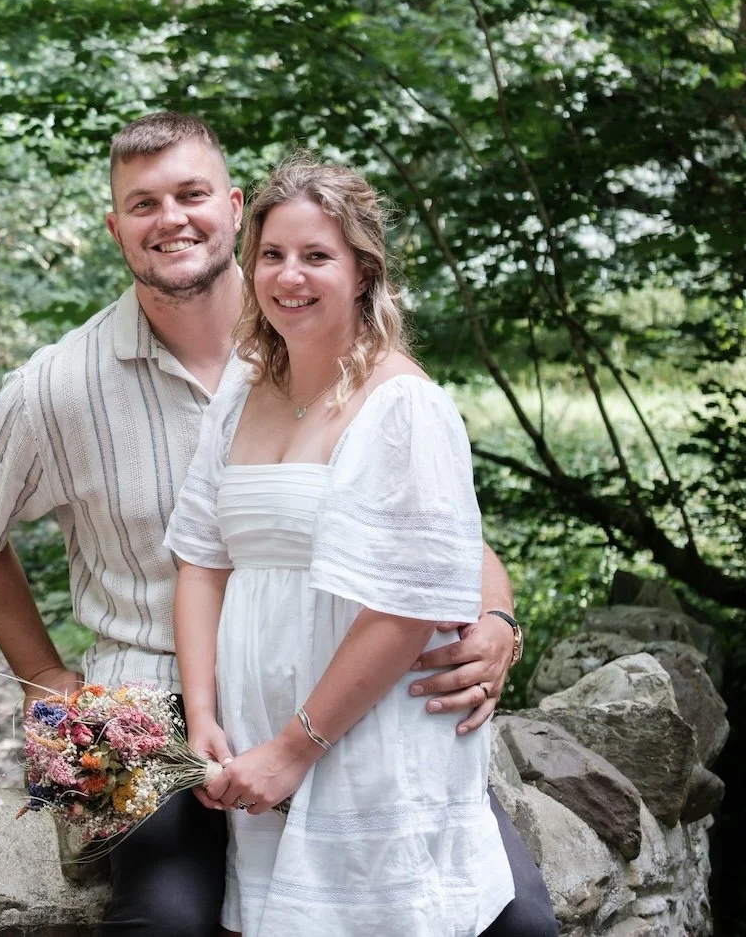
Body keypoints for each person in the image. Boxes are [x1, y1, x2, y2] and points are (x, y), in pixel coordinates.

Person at [0, 113, 554, 937]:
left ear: (232, 207)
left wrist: (498, 617)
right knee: (166, 916)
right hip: (146, 695)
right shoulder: (55, 385)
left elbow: (437, 539)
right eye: (143, 203)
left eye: (191, 194)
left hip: (336, 681)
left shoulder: (315, 343)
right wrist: (47, 682)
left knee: (514, 921)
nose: (171, 220)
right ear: (114, 226)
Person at [167, 155, 517, 935]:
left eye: (316, 255)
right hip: (251, 739)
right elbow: (200, 558)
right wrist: (203, 716)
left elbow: (409, 603)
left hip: (362, 741)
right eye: (272, 254)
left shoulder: (404, 405)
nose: (289, 275)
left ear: (363, 271)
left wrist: (296, 747)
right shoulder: (241, 389)